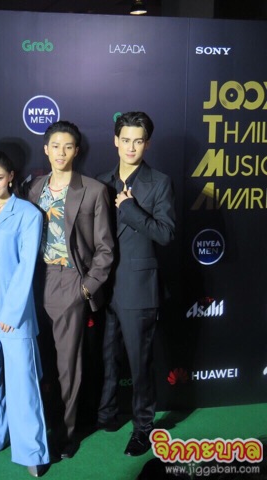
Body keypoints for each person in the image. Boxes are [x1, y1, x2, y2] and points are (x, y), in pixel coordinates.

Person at [26, 120, 114, 458]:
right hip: (36, 281)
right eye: (55, 146)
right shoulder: (34, 188)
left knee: (68, 365)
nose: (61, 152)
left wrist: (86, 289)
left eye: (67, 146)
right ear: (45, 149)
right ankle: (41, 427)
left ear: (76, 150)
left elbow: (105, 249)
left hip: (71, 282)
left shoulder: (93, 190)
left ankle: (66, 433)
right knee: (39, 363)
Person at [95, 111, 176, 456]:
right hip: (104, 285)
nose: (131, 147)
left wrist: (130, 209)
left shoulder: (159, 182)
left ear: (147, 144)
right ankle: (107, 414)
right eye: (125, 140)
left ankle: (143, 427)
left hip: (139, 286)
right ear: (116, 141)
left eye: (138, 141)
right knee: (108, 356)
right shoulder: (100, 181)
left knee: (139, 362)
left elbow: (166, 233)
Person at [0, 151, 50, 478]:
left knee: (22, 384)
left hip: (14, 313)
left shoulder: (28, 214)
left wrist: (12, 311)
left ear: (11, 176)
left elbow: (27, 266)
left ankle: (31, 450)